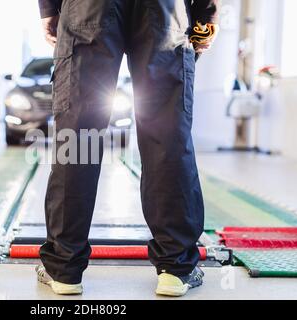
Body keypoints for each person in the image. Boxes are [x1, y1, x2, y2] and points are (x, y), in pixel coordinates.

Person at [35, 0, 220, 297]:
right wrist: (205, 13)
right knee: (166, 136)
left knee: (78, 137)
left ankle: (64, 269)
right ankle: (174, 269)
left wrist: (49, 9)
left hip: (88, 7)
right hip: (163, 9)